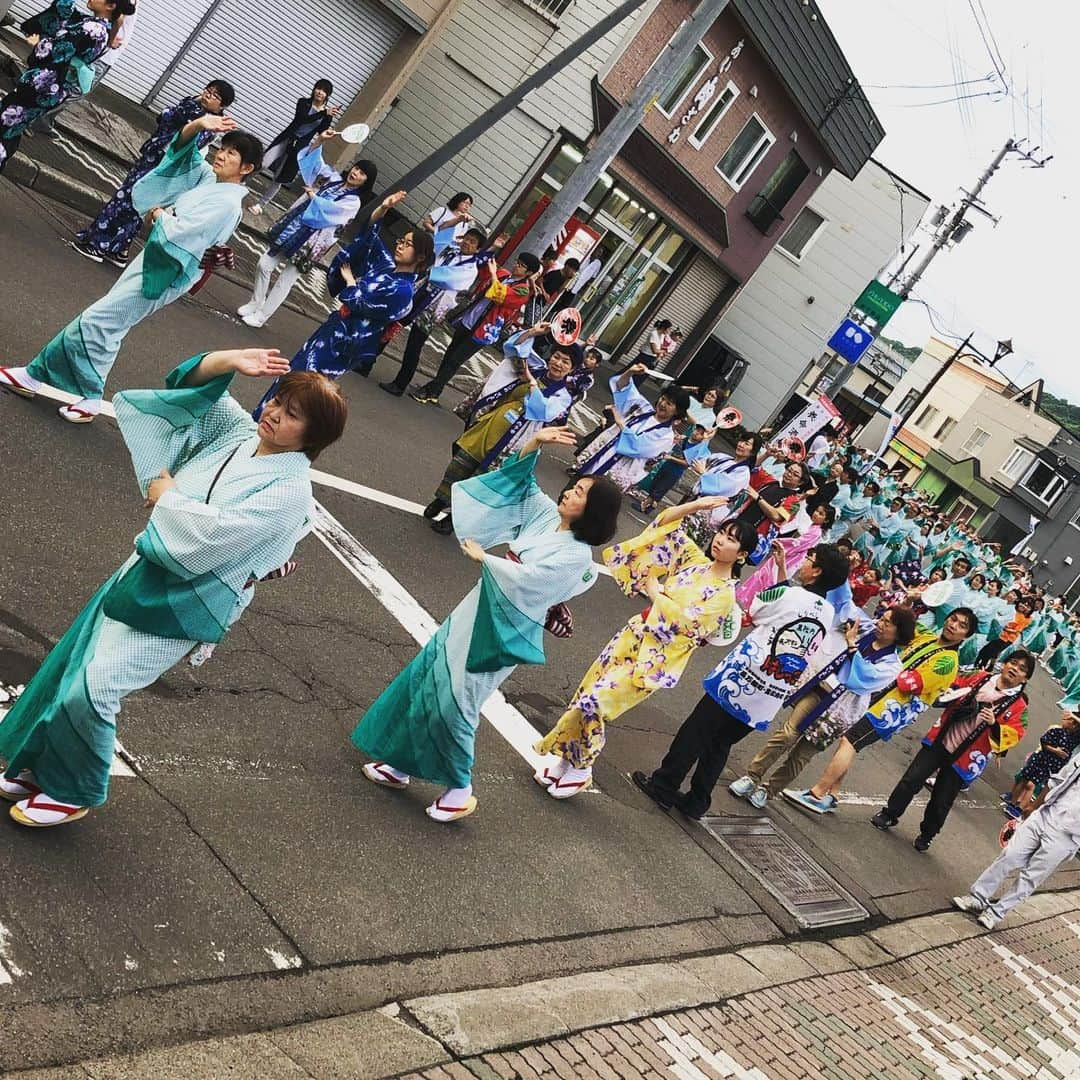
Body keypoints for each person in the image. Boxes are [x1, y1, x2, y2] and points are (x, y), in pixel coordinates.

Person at [0, 348, 347, 826]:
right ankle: (39, 767)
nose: (274, 415)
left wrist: (167, 499)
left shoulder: (290, 492)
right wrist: (229, 360)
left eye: (292, 416)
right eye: (277, 403)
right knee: (76, 666)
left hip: (189, 602)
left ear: (313, 437)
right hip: (148, 569)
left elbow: (219, 536)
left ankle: (75, 788)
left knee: (98, 685)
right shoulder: (239, 435)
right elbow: (186, 392)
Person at [352, 432, 622, 822]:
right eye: (574, 487)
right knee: (430, 680)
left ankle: (459, 788)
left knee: (459, 703)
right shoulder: (549, 519)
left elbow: (532, 580)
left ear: (594, 510)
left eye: (580, 493)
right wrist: (535, 443)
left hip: (502, 630)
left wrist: (488, 560)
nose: (569, 493)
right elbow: (520, 482)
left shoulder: (577, 557)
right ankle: (401, 763)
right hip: (479, 609)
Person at [1, 114, 263, 421]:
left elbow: (184, 234)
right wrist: (200, 125)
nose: (221, 154)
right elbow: (182, 153)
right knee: (105, 322)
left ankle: (74, 391)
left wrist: (159, 215)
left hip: (167, 271)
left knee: (101, 321)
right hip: (156, 259)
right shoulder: (211, 182)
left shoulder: (228, 203)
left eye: (232, 153)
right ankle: (52, 382)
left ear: (247, 169)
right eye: (223, 147)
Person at [534, 508, 756, 798]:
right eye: (722, 533)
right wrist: (696, 504)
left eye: (731, 540)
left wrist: (656, 594)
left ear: (742, 555)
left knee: (597, 701)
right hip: (633, 636)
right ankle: (568, 759)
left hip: (656, 660)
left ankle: (583, 766)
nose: (720, 540)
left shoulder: (725, 595)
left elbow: (687, 625)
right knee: (586, 694)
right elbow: (665, 525)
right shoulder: (695, 563)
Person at [632, 542, 850, 819]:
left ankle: (665, 784)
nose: (804, 561)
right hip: (770, 691)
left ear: (817, 570)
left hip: (743, 677)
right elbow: (789, 604)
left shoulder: (793, 594)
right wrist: (783, 569)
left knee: (696, 730)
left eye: (809, 558)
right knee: (720, 743)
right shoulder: (827, 612)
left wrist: (781, 577)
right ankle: (697, 801)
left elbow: (760, 607)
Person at [252, 191, 433, 413]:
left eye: (408, 244)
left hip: (346, 344)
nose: (400, 245)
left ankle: (274, 421)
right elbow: (371, 236)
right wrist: (383, 208)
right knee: (295, 374)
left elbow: (361, 304)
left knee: (306, 386)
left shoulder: (403, 291)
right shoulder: (387, 266)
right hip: (333, 329)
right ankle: (264, 414)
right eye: (401, 240)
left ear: (421, 257)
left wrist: (350, 282)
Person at [784, 608, 976, 814]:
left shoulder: (948, 661)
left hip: (892, 711)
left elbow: (909, 683)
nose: (953, 625)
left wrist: (887, 667)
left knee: (850, 741)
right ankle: (833, 794)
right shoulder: (929, 637)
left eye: (961, 625)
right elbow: (903, 628)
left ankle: (817, 793)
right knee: (850, 741)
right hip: (878, 699)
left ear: (967, 635)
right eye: (952, 618)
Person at [729, 606, 913, 810]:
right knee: (788, 733)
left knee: (802, 754)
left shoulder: (892, 664)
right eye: (882, 619)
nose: (880, 624)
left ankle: (769, 789)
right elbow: (844, 610)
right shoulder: (865, 630)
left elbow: (864, 678)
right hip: (821, 689)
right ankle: (752, 776)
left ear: (899, 632)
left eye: (887, 623)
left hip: (841, 710)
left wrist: (852, 645)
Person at [422, 325, 577, 534]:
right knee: (460, 463)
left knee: (483, 482)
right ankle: (441, 500)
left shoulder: (563, 396)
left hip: (516, 441)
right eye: (556, 357)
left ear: (572, 369)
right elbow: (512, 348)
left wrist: (530, 382)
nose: (558, 363)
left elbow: (541, 411)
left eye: (565, 362)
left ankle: (453, 519)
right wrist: (533, 333)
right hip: (492, 425)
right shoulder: (534, 367)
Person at [871, 652, 1032, 851]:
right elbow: (952, 686)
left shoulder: (1020, 707)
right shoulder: (980, 676)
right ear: (1005, 663)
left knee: (941, 800)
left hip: (966, 758)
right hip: (942, 739)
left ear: (1025, 678)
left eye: (1022, 668)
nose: (1015, 668)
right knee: (912, 779)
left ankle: (927, 834)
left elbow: (1015, 734)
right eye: (1013, 663)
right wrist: (957, 697)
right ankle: (889, 814)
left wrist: (994, 724)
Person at [72, 80, 235, 267]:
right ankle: (117, 250)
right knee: (137, 205)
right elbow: (167, 116)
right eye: (208, 90)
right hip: (155, 159)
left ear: (222, 105)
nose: (207, 95)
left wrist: (176, 112)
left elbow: (168, 117)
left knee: (127, 201)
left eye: (215, 96)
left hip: (161, 166)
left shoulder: (208, 123)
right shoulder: (198, 109)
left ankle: (98, 245)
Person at [238, 130, 376, 327]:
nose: (355, 173)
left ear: (366, 181)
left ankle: (262, 317)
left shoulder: (353, 201)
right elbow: (315, 164)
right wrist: (320, 140)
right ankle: (256, 302)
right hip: (295, 227)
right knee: (264, 264)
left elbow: (332, 212)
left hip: (312, 242)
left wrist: (314, 197)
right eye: (357, 168)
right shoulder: (334, 179)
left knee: (286, 279)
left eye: (362, 174)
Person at [953, 749, 1080, 930]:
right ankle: (978, 897)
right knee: (1010, 855)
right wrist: (1034, 806)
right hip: (1045, 815)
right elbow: (1057, 780)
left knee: (1031, 877)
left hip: (1067, 836)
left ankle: (996, 913)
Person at [0, 0, 129, 174]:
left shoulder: (93, 29)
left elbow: (56, 52)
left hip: (44, 86)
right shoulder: (100, 28)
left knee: (8, 123)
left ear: (110, 6)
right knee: (12, 126)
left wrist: (38, 43)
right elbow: (65, 10)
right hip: (51, 88)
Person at [379, 226, 502, 398]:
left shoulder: (470, 268)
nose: (467, 243)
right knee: (392, 325)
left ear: (477, 248)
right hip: (419, 293)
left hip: (433, 307)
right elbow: (436, 244)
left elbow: (451, 279)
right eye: (466, 238)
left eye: (472, 242)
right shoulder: (450, 251)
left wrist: (432, 272)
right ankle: (368, 360)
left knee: (414, 344)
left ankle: (400, 383)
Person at [409, 252, 540, 405]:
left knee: (455, 360)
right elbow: (483, 272)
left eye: (521, 265)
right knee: (449, 355)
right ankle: (435, 391)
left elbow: (499, 296)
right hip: (470, 319)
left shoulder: (523, 290)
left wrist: (493, 275)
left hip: (484, 330)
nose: (516, 265)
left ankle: (429, 390)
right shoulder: (504, 275)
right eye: (517, 262)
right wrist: (492, 251)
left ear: (529, 272)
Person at [574, 363, 689, 491]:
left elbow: (637, 447)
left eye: (669, 403)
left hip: (614, 473)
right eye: (663, 399)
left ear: (677, 411)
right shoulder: (643, 408)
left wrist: (621, 423)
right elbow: (622, 387)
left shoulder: (666, 436)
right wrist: (630, 372)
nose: (663, 404)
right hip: (598, 456)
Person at [250, 80, 338, 214]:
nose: (320, 92)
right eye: (318, 88)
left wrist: (328, 131)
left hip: (300, 148)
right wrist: (323, 113)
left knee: (280, 178)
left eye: (324, 91)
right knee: (263, 163)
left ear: (327, 95)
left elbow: (321, 131)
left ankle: (260, 205)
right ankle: (242, 182)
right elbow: (301, 119)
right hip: (286, 139)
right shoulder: (304, 102)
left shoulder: (327, 114)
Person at [1005, 712, 1080, 816]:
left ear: (1074, 724)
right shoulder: (1055, 730)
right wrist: (1056, 751)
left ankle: (1019, 808)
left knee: (1031, 785)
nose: (1064, 721)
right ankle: (1012, 803)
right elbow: (1044, 743)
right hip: (1039, 759)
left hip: (1049, 766)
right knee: (1023, 779)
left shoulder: (1074, 739)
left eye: (1067, 720)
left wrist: (1073, 717)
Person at [632, 424, 713, 514]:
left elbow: (687, 463)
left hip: (676, 471)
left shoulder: (698, 448)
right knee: (656, 483)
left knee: (661, 487)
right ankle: (652, 505)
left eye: (701, 434)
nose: (696, 433)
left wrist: (671, 458)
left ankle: (644, 505)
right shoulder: (683, 439)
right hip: (667, 464)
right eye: (697, 430)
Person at [975, 598, 1033, 671]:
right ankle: (982, 666)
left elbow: (1016, 630)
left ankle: (982, 667)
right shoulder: (1014, 611)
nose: (1024, 606)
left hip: (1007, 638)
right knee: (988, 650)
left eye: (1027, 606)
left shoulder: (1024, 618)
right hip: (1000, 634)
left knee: (989, 651)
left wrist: (1005, 628)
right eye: (1023, 603)